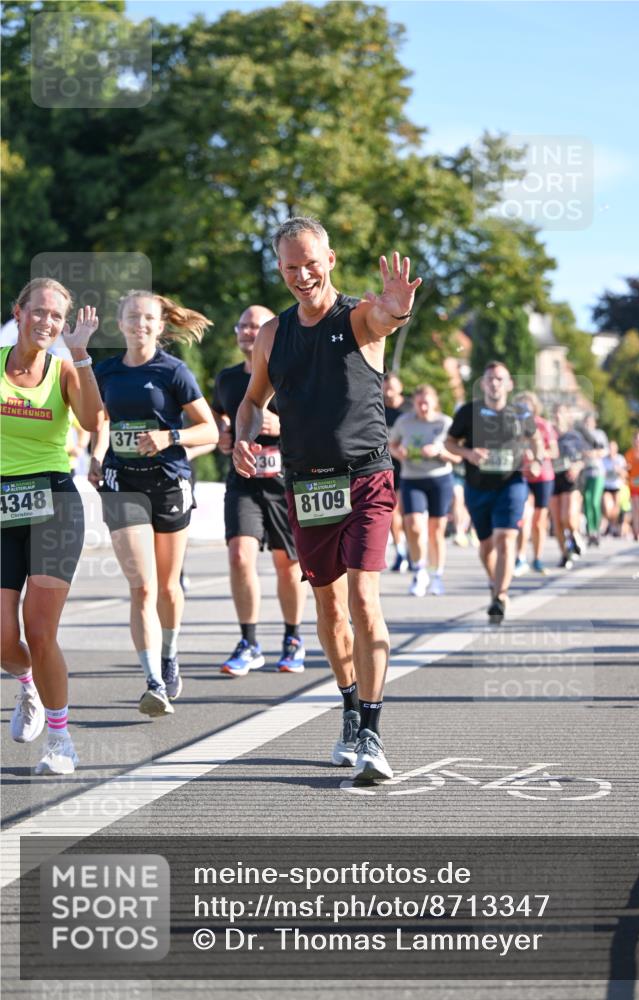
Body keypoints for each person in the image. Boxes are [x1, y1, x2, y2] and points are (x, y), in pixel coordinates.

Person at [233, 216, 421, 781]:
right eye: (291, 267)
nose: (302, 274)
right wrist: (244, 434)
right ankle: (347, 706)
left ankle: (371, 729)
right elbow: (251, 400)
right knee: (329, 608)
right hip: (307, 486)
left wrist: (398, 306)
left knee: (364, 599)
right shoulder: (273, 334)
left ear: (330, 259)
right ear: (281, 269)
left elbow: (387, 318)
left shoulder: (358, 317)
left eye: (311, 262)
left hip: (365, 477)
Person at [89, 290, 218, 716]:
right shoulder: (105, 371)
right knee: (142, 586)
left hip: (168, 483)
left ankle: (170, 654)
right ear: (120, 322)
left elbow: (210, 431)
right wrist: (96, 453)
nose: (140, 324)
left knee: (167, 586)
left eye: (148, 318)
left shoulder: (173, 371)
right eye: (132, 317)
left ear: (160, 326)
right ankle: (153, 682)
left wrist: (170, 437)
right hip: (122, 483)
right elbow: (99, 418)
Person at [1, 277, 103, 774]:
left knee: (40, 632)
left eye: (56, 317)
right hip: (1, 506)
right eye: (37, 312)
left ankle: (61, 740)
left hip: (55, 505)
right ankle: (28, 688)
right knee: (3, 637)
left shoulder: (64, 370)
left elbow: (89, 418)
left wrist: (81, 357)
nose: (46, 322)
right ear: (18, 313)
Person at [212, 305, 307, 676]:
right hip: (243, 481)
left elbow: (318, 419)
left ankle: (293, 638)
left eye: (256, 326)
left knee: (288, 567)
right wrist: (224, 433)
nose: (249, 332)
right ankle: (249, 642)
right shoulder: (227, 378)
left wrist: (281, 425)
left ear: (270, 331)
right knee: (239, 556)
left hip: (285, 482)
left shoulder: (290, 373)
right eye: (243, 325)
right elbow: (220, 411)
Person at [445, 361, 539, 622]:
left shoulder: (521, 414)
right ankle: (495, 581)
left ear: (509, 384)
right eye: (490, 379)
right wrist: (468, 453)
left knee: (506, 538)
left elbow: (536, 439)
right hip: (478, 487)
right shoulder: (468, 412)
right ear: (483, 384)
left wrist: (537, 459)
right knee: (486, 547)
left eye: (500, 379)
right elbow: (449, 443)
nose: (495, 383)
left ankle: (500, 596)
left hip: (512, 483)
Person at [388, 384, 459, 596]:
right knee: (414, 525)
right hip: (412, 478)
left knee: (436, 530)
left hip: (439, 478)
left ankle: (437, 574)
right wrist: (399, 453)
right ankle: (419, 571)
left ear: (434, 402)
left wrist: (440, 451)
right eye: (419, 403)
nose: (423, 407)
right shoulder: (404, 422)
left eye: (427, 402)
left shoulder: (445, 422)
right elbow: (391, 445)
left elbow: (458, 456)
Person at [513, 391, 558, 575]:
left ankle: (538, 558)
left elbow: (554, 452)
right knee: (523, 517)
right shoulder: (513, 425)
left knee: (539, 521)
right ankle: (520, 557)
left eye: (528, 405)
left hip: (543, 476)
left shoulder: (543, 425)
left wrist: (538, 456)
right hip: (521, 475)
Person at [549, 403, 586, 568]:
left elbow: (584, 457)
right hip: (552, 477)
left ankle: (575, 535)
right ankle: (565, 553)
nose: (557, 416)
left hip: (570, 477)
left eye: (561, 413)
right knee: (557, 521)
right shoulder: (548, 434)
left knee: (568, 516)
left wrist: (577, 467)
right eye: (555, 413)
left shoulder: (574, 436)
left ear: (567, 416)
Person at [383, 373, 410, 572]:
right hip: (385, 465)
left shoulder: (409, 408)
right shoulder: (377, 406)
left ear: (400, 387)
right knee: (393, 510)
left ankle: (411, 550)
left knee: (408, 512)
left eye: (393, 387)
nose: (389, 392)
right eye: (386, 388)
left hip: (408, 465)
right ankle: (400, 550)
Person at [579, 412, 609, 546]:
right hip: (585, 472)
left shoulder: (599, 434)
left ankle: (596, 529)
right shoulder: (580, 436)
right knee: (586, 500)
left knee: (595, 501)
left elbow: (605, 451)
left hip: (597, 472)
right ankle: (590, 530)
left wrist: (593, 453)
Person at [601, 440, 627, 537]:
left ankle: (613, 525)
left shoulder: (620, 459)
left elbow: (625, 475)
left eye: (613, 448)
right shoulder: (604, 460)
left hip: (617, 486)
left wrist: (619, 470)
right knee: (608, 508)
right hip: (607, 486)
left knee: (616, 508)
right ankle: (610, 524)